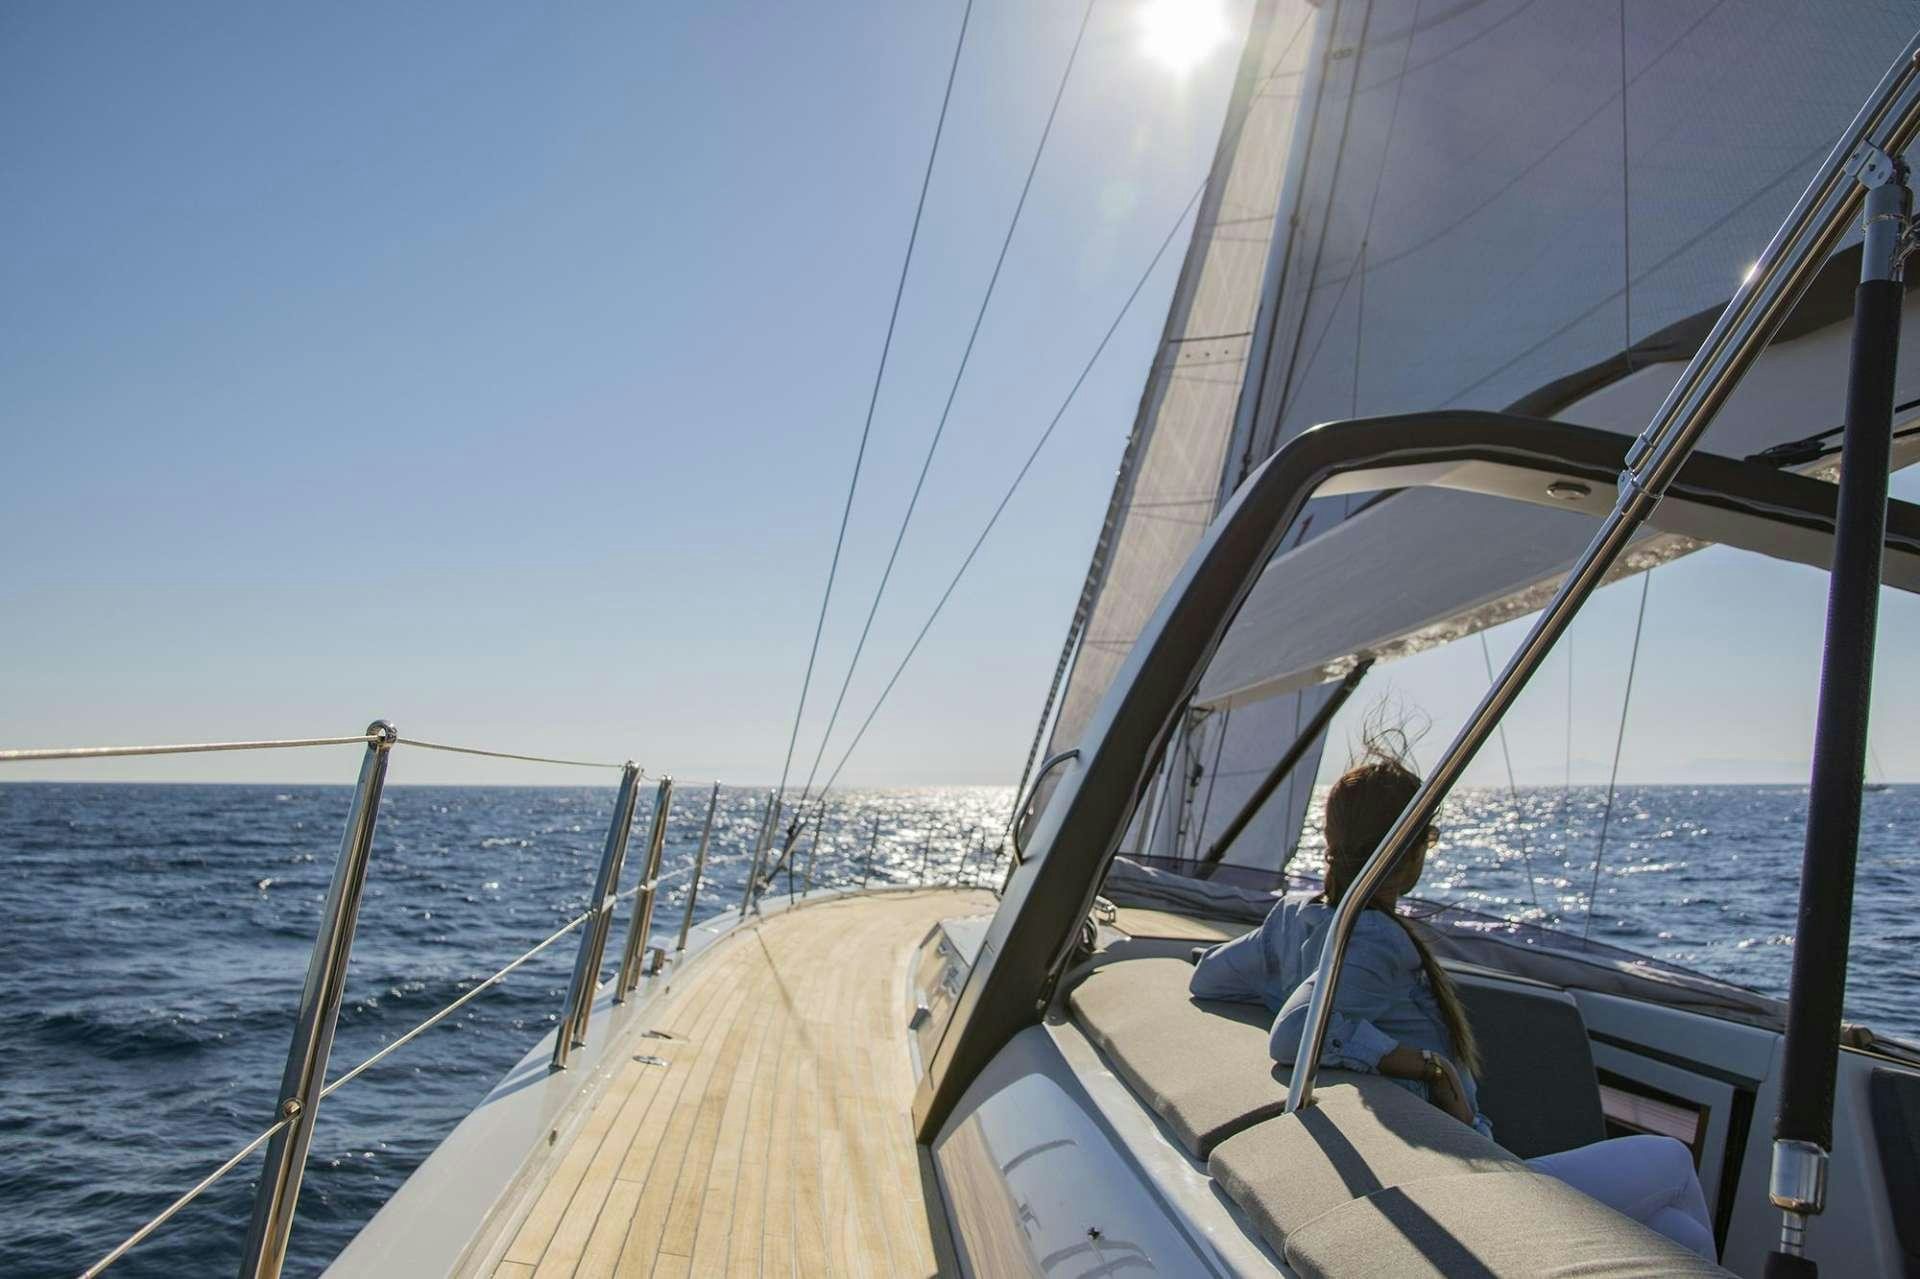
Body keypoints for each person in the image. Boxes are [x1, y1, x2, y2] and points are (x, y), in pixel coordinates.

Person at [1189, 735, 1718, 1262]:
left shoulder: (1295, 916)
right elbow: (1296, 1031)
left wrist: (1287, 974)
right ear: (1405, 854)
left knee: (1680, 1236)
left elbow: (1208, 979)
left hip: (1442, 1168)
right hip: (1471, 1182)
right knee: (1671, 1161)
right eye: (1429, 838)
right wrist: (1428, 1066)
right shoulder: (1373, 939)